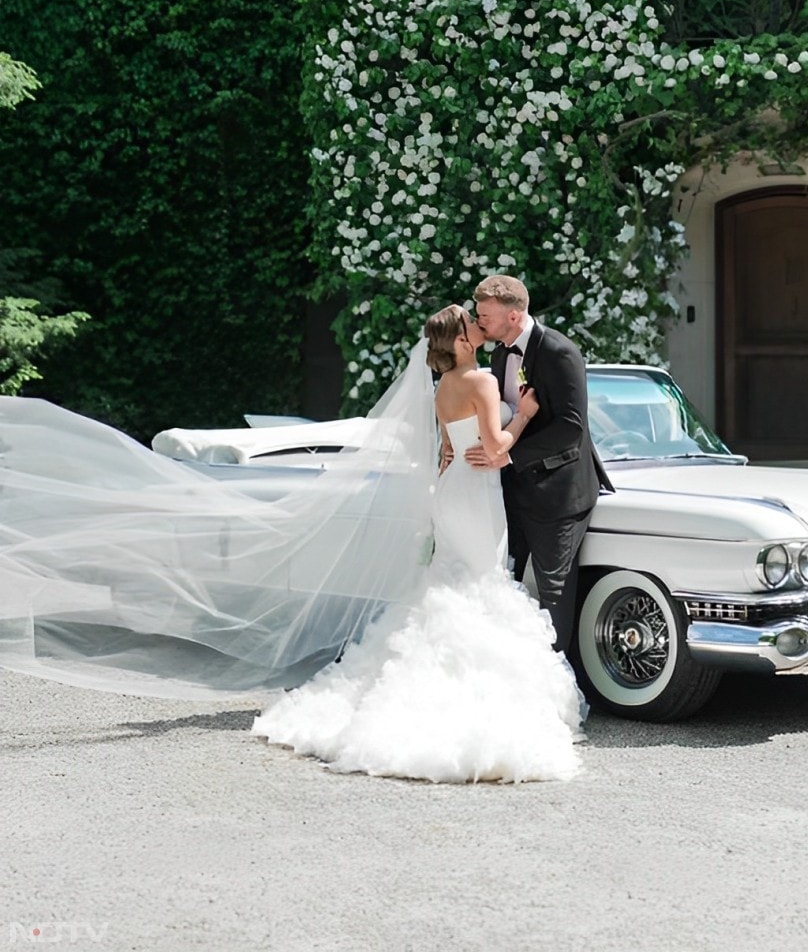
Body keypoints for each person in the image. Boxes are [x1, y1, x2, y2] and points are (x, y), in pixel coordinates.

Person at [0, 307, 585, 782]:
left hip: (452, 492)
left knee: (456, 584)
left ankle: (447, 689)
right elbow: (497, 448)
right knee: (480, 583)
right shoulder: (482, 380)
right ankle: (476, 699)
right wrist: (526, 413)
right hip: (478, 495)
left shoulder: (441, 388)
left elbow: (447, 453)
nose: (480, 327)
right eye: (472, 323)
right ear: (461, 340)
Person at [465, 275, 613, 656]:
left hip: (558, 494)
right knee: (503, 582)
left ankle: (558, 691)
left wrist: (508, 454)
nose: (479, 320)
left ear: (513, 317)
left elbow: (571, 427)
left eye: (485, 315)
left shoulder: (559, 352)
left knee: (554, 593)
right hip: (511, 489)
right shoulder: (500, 353)